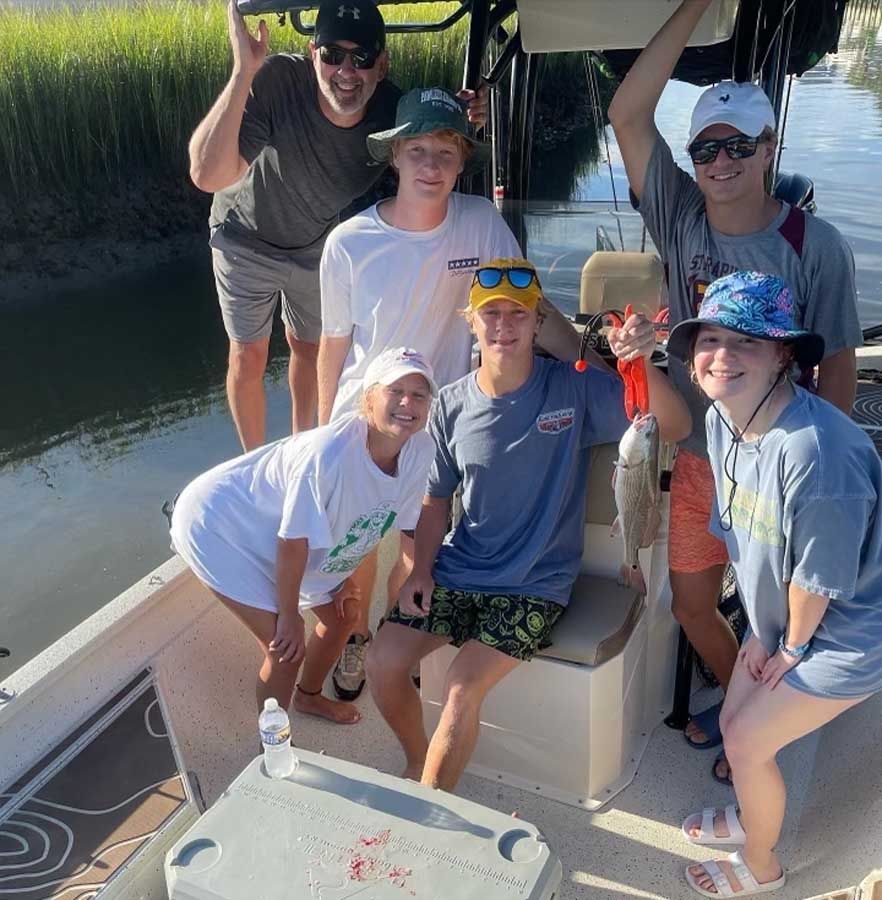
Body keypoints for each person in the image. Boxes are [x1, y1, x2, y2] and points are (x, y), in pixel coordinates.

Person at [607, 0, 863, 778]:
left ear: (768, 148)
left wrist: (823, 472)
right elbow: (626, 112)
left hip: (780, 463)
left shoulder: (814, 245)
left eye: (738, 146)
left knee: (776, 618)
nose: (721, 162)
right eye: (706, 148)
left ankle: (762, 735)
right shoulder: (682, 216)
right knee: (690, 605)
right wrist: (695, 6)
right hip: (695, 450)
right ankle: (741, 705)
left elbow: (842, 365)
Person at [365, 260, 691, 791]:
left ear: (539, 323)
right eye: (489, 314)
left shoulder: (573, 389)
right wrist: (420, 570)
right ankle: (417, 759)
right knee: (382, 662)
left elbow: (673, 423)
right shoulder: (448, 404)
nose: (504, 325)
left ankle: (426, 808)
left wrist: (640, 360)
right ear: (469, 322)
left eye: (519, 314)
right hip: (458, 569)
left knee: (459, 688)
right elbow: (433, 501)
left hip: (534, 587)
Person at [318, 90, 590, 701]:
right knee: (355, 547)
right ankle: (354, 640)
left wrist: (597, 365)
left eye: (445, 152)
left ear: (462, 160)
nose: (431, 165)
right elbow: (331, 349)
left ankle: (399, 637)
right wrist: (315, 433)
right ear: (395, 157)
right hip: (364, 420)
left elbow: (529, 307)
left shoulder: (481, 223)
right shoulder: (348, 243)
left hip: (437, 419)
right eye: (417, 151)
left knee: (418, 548)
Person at [664, 271, 882, 897]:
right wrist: (763, 633)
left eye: (747, 343)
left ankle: (763, 867)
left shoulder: (815, 451)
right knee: (735, 722)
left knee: (746, 741)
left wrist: (786, 649)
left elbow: (818, 581)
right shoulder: (722, 421)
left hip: (846, 638)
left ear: (783, 354)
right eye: (709, 339)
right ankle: (746, 814)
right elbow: (742, 537)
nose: (721, 358)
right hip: (786, 622)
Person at [188, 0, 486, 451]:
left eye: (362, 58)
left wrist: (465, 114)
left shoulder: (393, 114)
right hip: (242, 235)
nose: (346, 71)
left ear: (382, 65)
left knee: (309, 347)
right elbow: (207, 175)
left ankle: (303, 451)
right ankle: (255, 464)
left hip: (315, 241)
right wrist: (242, 72)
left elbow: (436, 136)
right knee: (249, 355)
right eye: (332, 55)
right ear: (313, 55)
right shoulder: (277, 82)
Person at [169, 347, 437, 725]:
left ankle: (308, 697)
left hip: (272, 526)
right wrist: (291, 613)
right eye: (395, 390)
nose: (407, 402)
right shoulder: (329, 455)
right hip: (217, 523)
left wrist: (342, 577)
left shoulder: (419, 452)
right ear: (368, 399)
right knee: (284, 650)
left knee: (345, 617)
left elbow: (376, 518)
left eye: (420, 394)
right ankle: (273, 751)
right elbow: (292, 540)